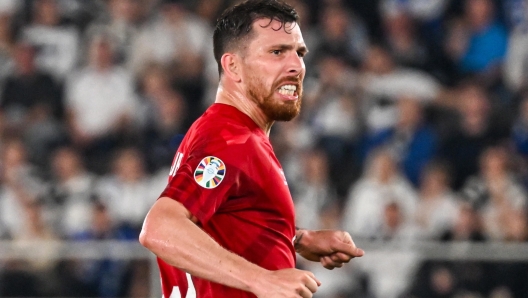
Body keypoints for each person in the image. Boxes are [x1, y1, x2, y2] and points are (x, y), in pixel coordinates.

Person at [139, 1, 365, 298]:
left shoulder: (222, 130)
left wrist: (293, 239)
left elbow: (219, 221)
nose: (296, 65)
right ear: (233, 66)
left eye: (299, 52)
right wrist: (261, 280)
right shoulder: (230, 139)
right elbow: (160, 227)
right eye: (276, 52)